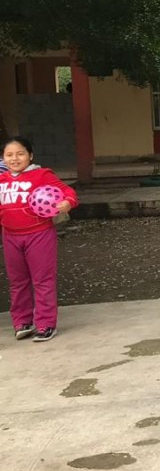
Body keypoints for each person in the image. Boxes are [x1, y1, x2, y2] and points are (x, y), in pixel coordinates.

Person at [1, 136, 79, 342]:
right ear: (3, 158)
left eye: (20, 153)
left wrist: (67, 203)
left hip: (39, 234)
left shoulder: (41, 174)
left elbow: (68, 192)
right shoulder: (2, 179)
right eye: (9, 155)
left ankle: (45, 325)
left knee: (43, 280)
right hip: (10, 236)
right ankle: (22, 322)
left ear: (30, 155)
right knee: (17, 282)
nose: (14, 158)